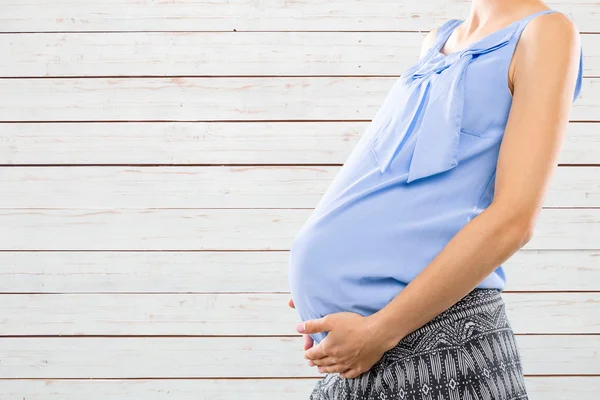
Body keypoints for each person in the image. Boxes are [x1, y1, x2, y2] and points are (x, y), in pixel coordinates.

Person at [287, 1, 583, 399]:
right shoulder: (438, 40)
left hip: (439, 341)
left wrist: (381, 329)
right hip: (374, 351)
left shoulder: (545, 32)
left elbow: (514, 218)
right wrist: (334, 286)